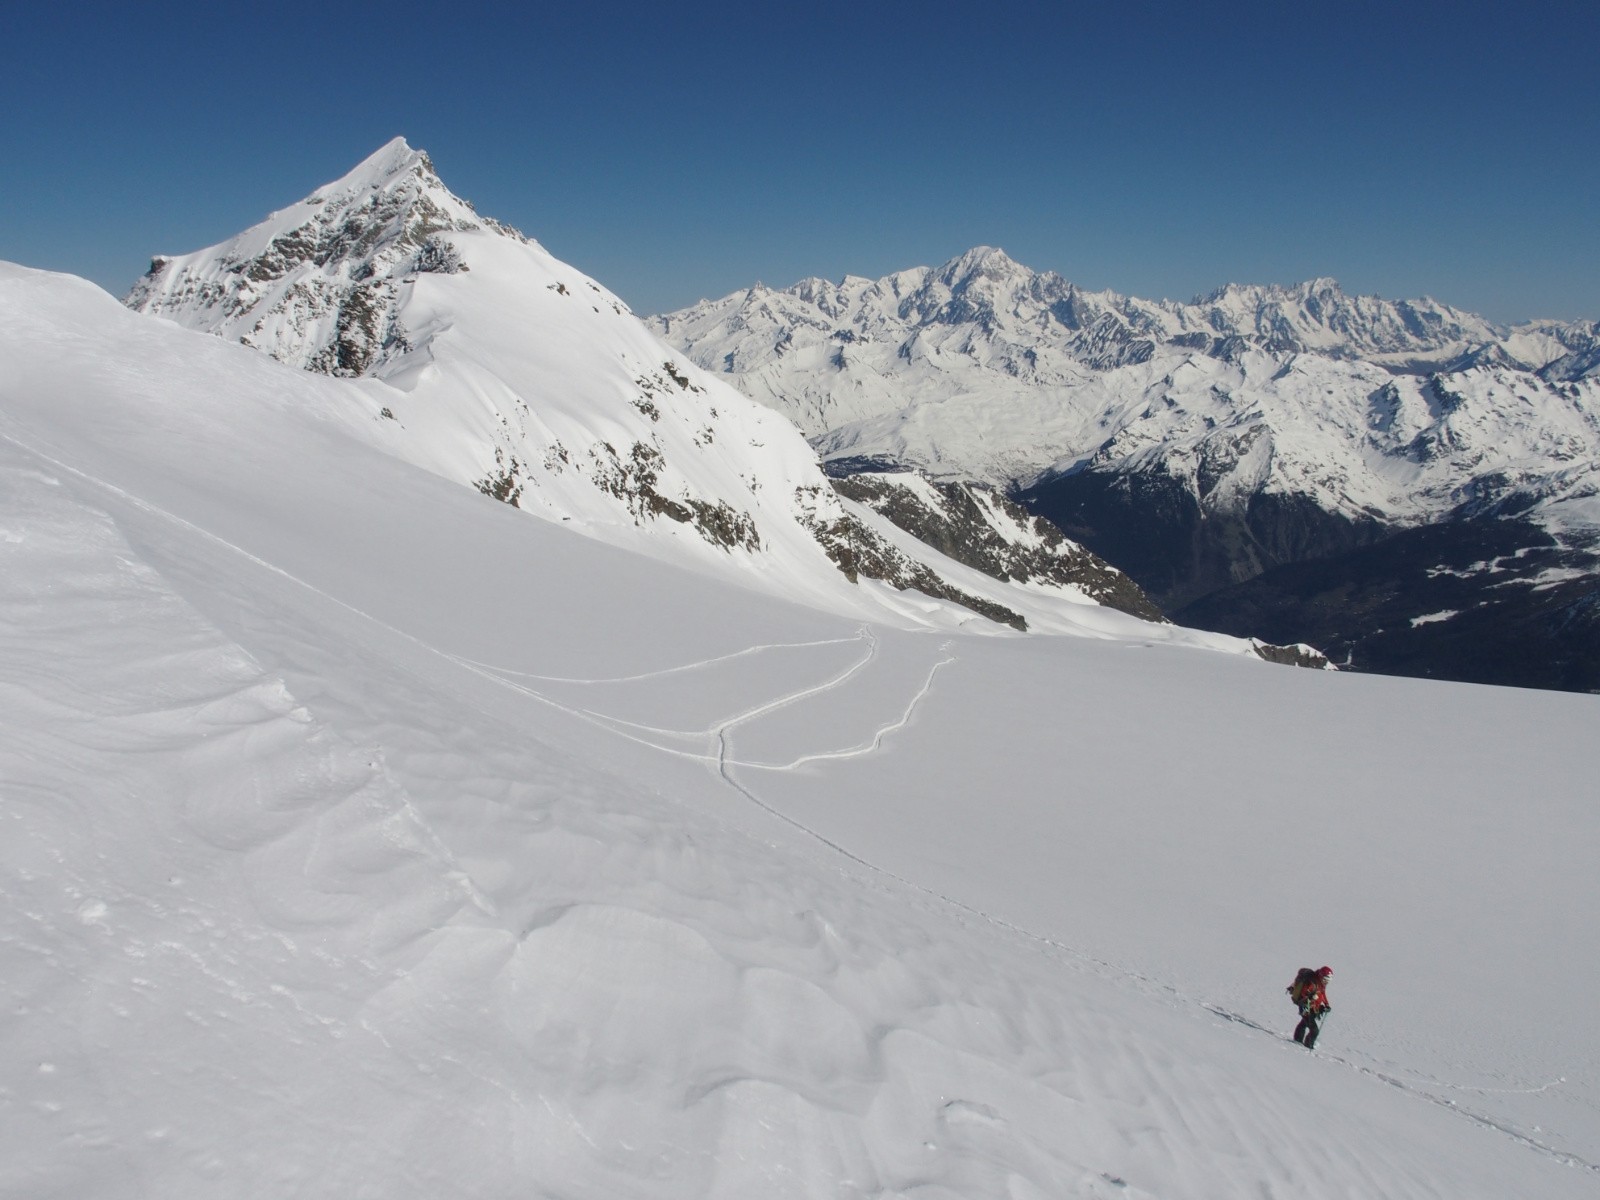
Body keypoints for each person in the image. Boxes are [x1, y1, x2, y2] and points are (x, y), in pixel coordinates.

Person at [1288, 965, 1332, 1048]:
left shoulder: (1320, 983)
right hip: (1306, 1007)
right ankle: (1308, 1046)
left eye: (1329, 980)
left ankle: (1297, 1041)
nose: (1327, 982)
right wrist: (1310, 997)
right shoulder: (1311, 983)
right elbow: (1303, 994)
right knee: (1314, 1030)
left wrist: (1326, 1004)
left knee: (1304, 1024)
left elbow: (1322, 993)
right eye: (1326, 980)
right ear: (1321, 976)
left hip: (1313, 1007)